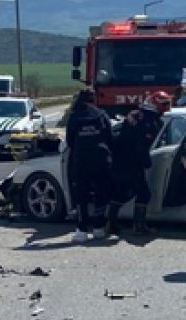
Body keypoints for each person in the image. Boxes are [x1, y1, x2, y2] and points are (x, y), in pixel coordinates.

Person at [105, 91, 169, 236]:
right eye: (164, 104)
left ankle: (111, 223)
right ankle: (138, 226)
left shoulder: (138, 115)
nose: (167, 107)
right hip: (131, 161)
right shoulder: (147, 120)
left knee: (123, 191)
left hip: (121, 159)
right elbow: (140, 144)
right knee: (143, 193)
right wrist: (146, 162)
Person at [65, 88, 113, 243]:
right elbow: (110, 137)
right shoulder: (101, 115)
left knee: (81, 195)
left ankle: (82, 229)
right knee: (102, 193)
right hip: (101, 159)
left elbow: (70, 141)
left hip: (82, 160)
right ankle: (99, 227)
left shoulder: (74, 117)